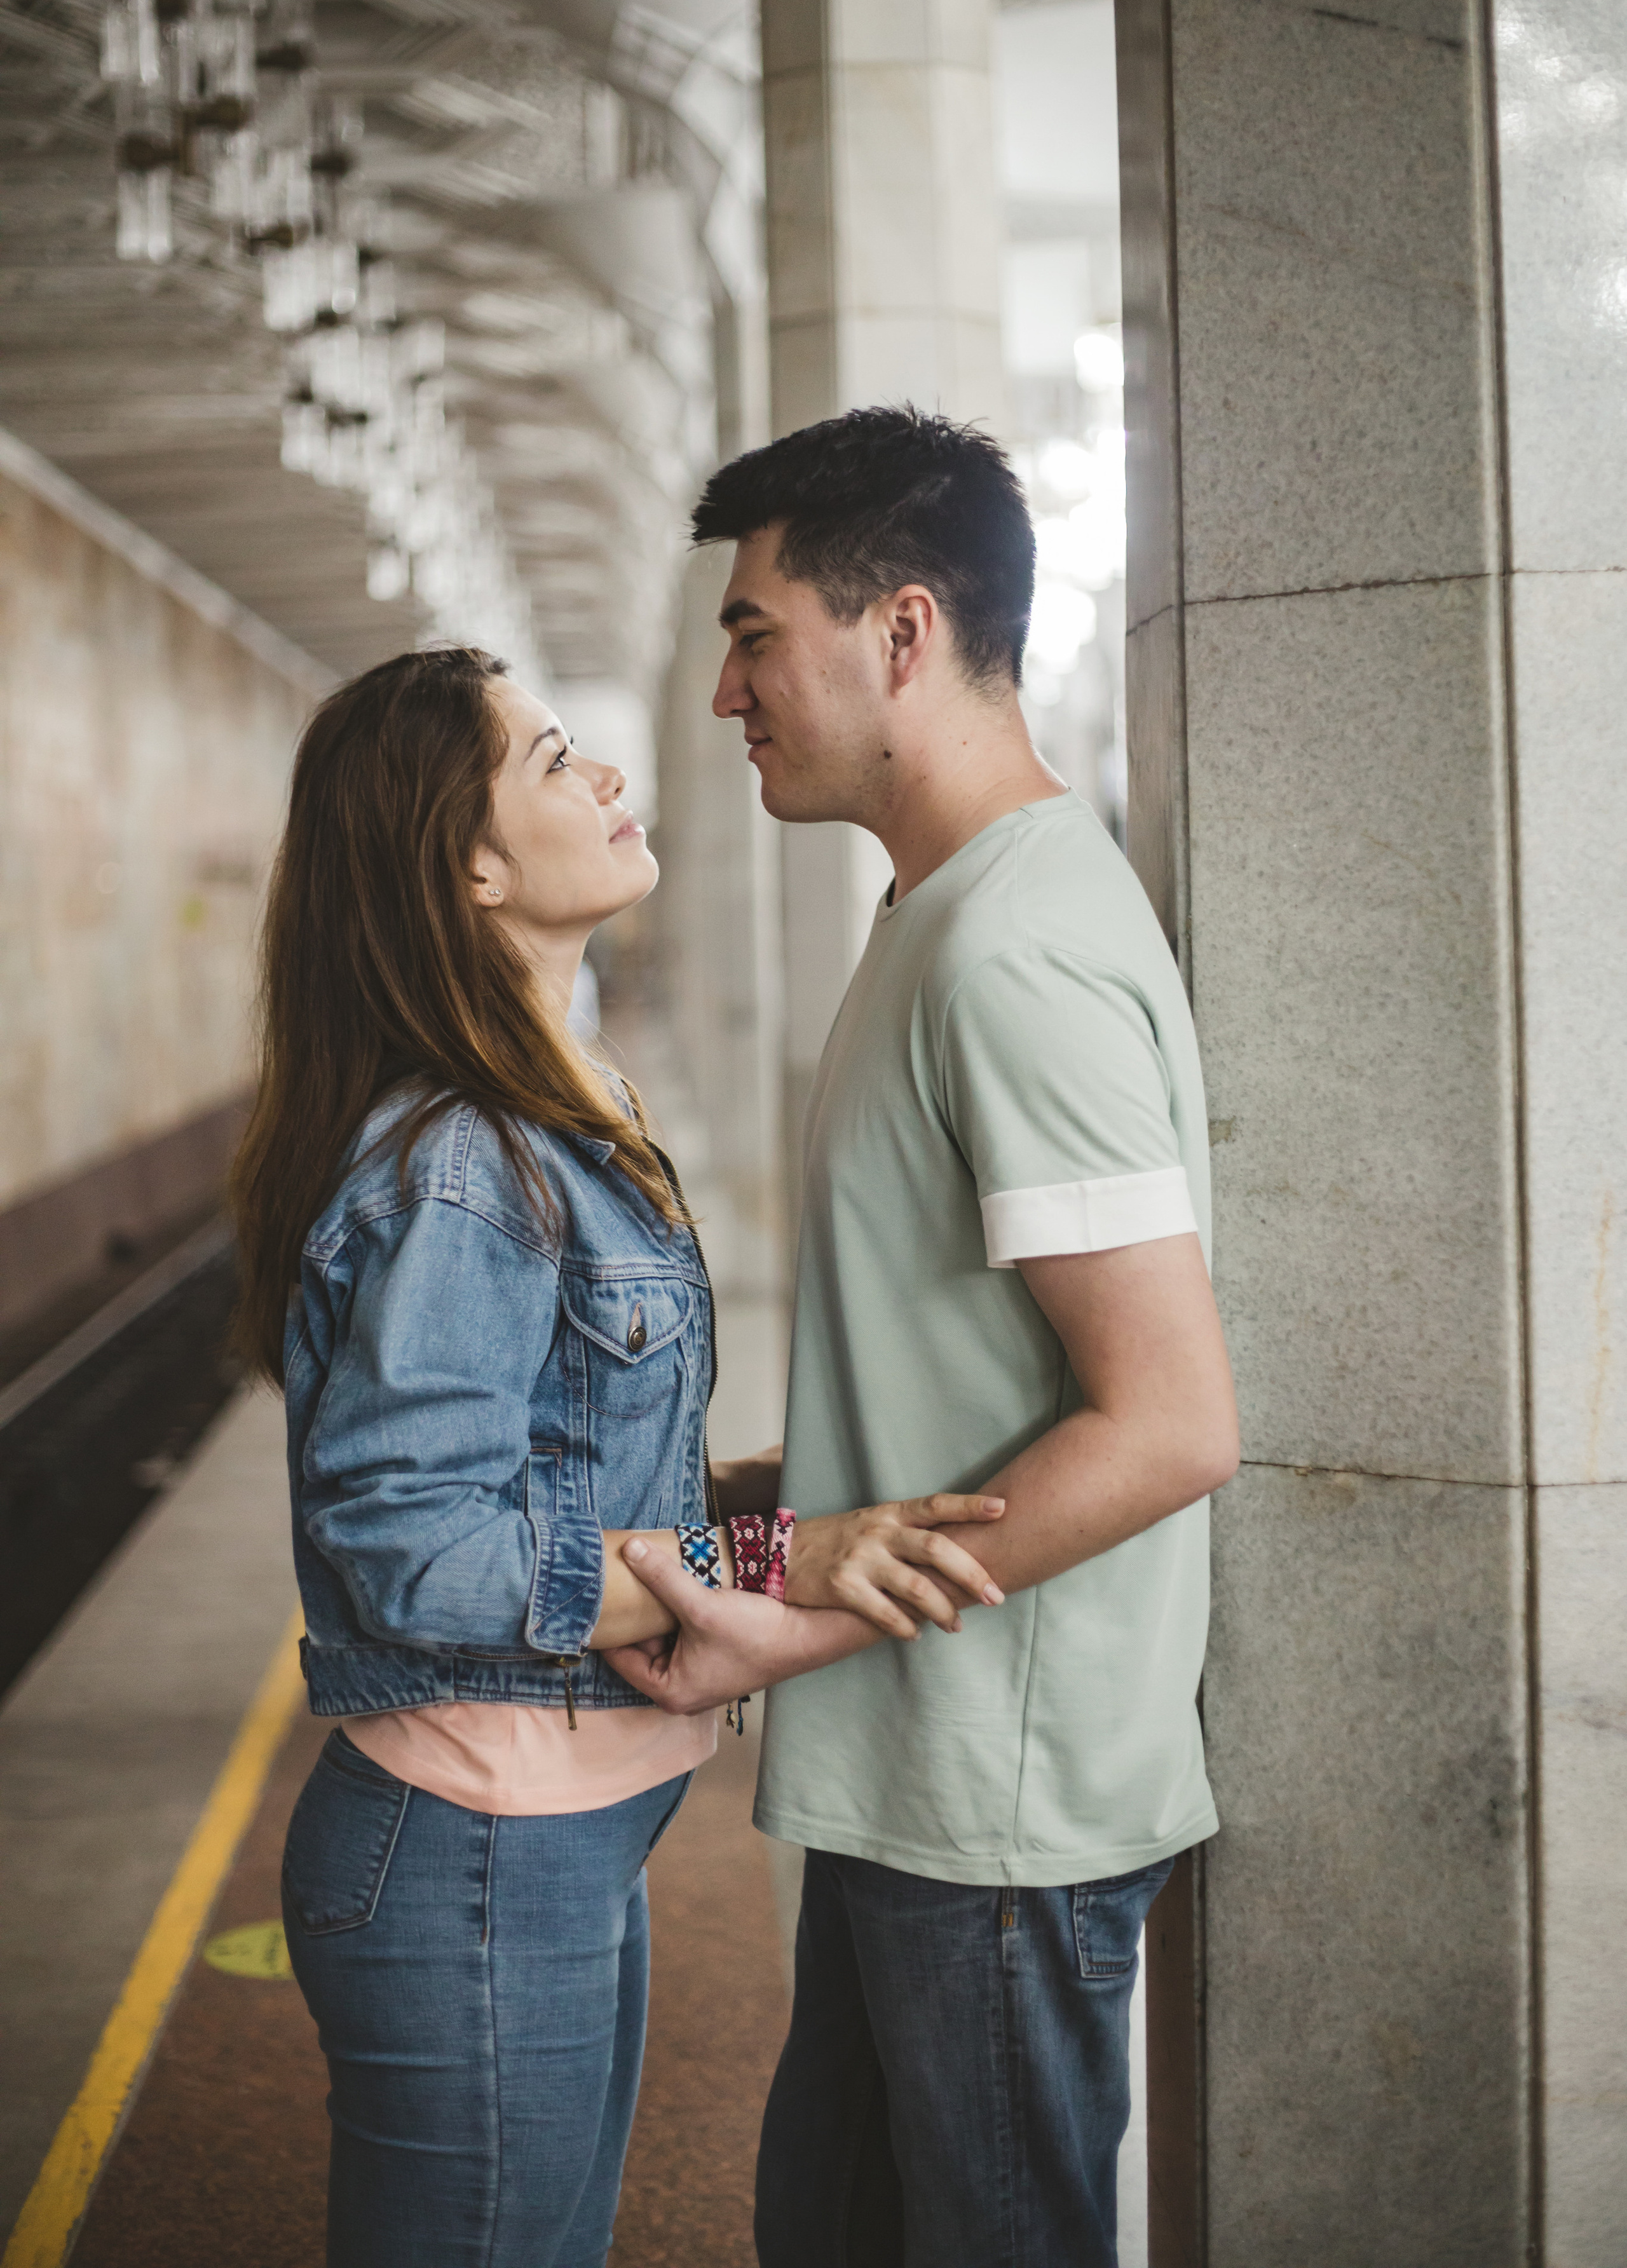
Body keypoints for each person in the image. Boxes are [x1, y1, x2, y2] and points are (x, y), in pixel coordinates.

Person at [228, 644, 1004, 2268]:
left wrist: (782, 1505)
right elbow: (415, 1545)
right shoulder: (465, 1162)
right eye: (556, 758)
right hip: (473, 1852)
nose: (608, 779)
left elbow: (580, 1485)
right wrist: (756, 1564)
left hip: (546, 1840)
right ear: (473, 866)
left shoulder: (564, 1104)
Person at [606, 408, 1241, 2267]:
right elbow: (959, 1391)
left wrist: (778, 1618)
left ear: (897, 632)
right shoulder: (937, 919)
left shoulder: (1013, 951)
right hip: (926, 1772)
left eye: (750, 634)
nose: (729, 694)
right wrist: (717, 1525)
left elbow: (1171, 1418)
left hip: (1004, 1811)